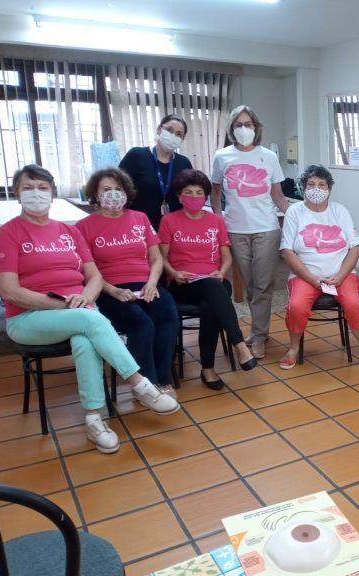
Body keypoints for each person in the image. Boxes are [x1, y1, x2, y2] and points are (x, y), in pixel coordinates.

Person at [0, 165, 179, 455]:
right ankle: (142, 385)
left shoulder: (68, 231)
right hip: (28, 318)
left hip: (77, 312)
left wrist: (86, 298)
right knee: (90, 320)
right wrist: (68, 305)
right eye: (28, 188)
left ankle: (94, 420)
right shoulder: (8, 234)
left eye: (42, 188)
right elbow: (10, 292)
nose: (36, 194)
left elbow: (94, 277)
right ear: (17, 193)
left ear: (52, 193)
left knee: (86, 339)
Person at [75, 167, 180, 399]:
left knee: (167, 316)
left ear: (127, 192)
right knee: (141, 323)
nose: (113, 194)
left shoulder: (140, 218)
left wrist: (152, 283)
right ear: (95, 193)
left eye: (118, 189)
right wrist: (113, 291)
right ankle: (146, 384)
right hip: (109, 289)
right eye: (106, 189)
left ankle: (164, 379)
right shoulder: (83, 227)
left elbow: (156, 259)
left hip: (146, 283)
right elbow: (87, 270)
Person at [279, 165, 359, 373]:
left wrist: (340, 276)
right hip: (305, 275)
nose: (316, 189)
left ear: (329, 188)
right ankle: (293, 348)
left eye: (322, 185)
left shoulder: (340, 211)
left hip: (341, 275)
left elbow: (354, 247)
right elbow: (287, 251)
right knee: (297, 306)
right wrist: (311, 279)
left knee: (354, 304)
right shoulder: (294, 212)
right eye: (311, 184)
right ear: (303, 188)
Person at [158, 169, 258, 390]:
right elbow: (160, 258)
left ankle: (208, 369)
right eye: (188, 192)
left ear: (205, 196)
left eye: (199, 192)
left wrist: (221, 272)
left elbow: (226, 257)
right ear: (179, 196)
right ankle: (239, 345)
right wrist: (173, 273)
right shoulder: (169, 220)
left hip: (214, 281)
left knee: (210, 304)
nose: (194, 197)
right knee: (214, 294)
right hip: (182, 284)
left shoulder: (215, 221)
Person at [210, 105, 289, 359]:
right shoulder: (222, 156)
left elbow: (278, 195)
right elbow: (215, 194)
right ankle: (258, 331)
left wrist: (299, 218)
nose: (243, 129)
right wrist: (219, 222)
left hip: (266, 228)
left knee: (263, 285)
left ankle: (259, 335)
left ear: (256, 127)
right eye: (238, 125)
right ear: (231, 129)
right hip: (235, 229)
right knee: (251, 285)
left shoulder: (269, 156)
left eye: (248, 124)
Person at [119, 114, 192, 230]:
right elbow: (119, 188)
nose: (173, 136)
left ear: (183, 139)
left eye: (179, 134)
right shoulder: (137, 155)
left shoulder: (184, 163)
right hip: (138, 227)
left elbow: (189, 195)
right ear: (159, 129)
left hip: (173, 228)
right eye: (169, 130)